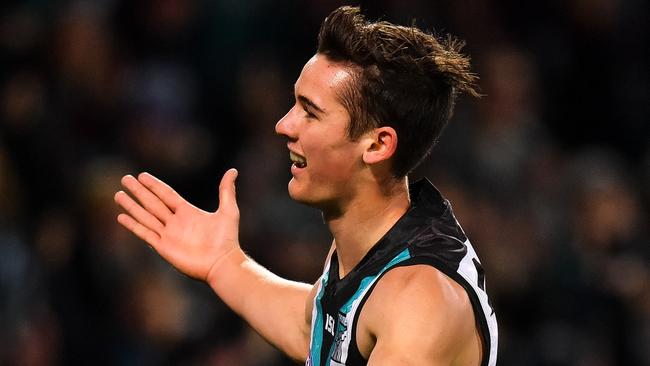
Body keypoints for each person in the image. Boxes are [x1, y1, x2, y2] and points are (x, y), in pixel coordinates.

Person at [115, 6, 498, 366]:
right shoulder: (377, 246)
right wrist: (224, 263)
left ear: (378, 145)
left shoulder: (419, 301)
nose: (284, 124)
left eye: (309, 112)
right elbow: (317, 329)